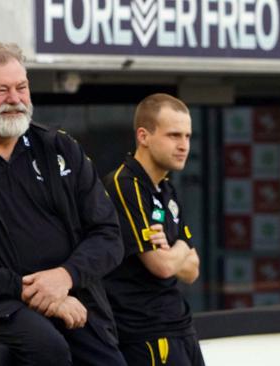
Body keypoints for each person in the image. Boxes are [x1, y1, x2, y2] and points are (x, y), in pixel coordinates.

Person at [0, 40, 126, 365]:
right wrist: (27, 291)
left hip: (70, 293)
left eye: (22, 87)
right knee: (47, 348)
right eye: (1, 90)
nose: (15, 100)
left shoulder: (59, 148)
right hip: (0, 302)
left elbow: (108, 235)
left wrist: (65, 277)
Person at [103, 93, 204, 365]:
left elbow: (193, 270)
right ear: (143, 136)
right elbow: (162, 266)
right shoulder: (125, 185)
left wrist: (175, 250)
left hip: (181, 326)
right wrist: (181, 248)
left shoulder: (166, 189)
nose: (184, 145)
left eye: (187, 136)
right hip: (145, 333)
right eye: (173, 135)